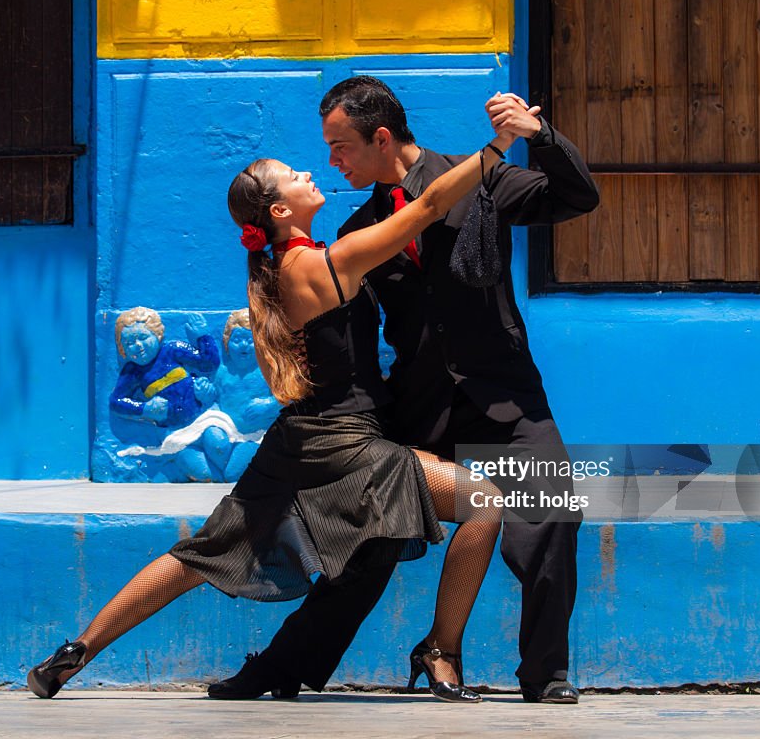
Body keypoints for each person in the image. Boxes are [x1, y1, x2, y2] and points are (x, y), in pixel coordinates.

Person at [27, 107, 525, 703]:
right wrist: (496, 149)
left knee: (197, 557)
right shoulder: (322, 264)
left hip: (298, 441)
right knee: (486, 503)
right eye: (292, 173)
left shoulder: (277, 268)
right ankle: (440, 649)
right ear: (281, 210)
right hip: (347, 445)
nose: (310, 171)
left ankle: (75, 652)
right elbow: (426, 208)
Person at [211, 77, 599, 704]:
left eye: (340, 146)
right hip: (418, 405)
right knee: (369, 542)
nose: (332, 162)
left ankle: (545, 675)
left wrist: (543, 138)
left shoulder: (481, 177)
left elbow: (577, 195)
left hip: (505, 397)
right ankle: (280, 669)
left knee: (552, 515)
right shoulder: (361, 226)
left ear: (381, 137)